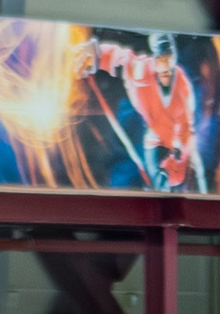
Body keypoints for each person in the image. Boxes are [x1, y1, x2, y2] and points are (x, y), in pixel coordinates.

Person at [83, 30, 201, 192]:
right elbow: (122, 59)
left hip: (177, 147)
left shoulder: (183, 87)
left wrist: (173, 159)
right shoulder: (142, 71)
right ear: (155, 58)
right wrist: (95, 54)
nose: (165, 65)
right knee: (149, 181)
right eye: (161, 58)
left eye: (169, 58)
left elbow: (185, 127)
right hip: (154, 137)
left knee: (174, 183)